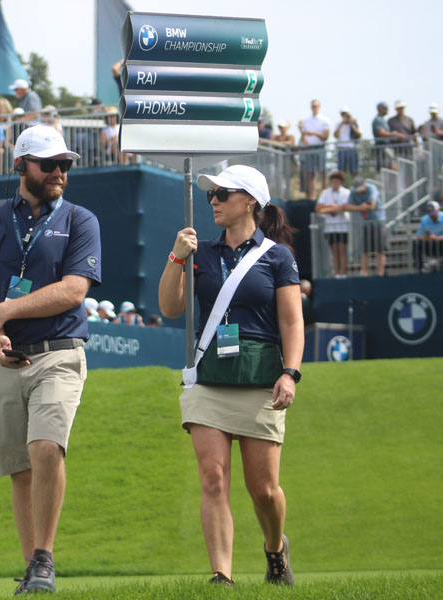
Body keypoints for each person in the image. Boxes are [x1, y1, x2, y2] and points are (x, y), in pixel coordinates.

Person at [0, 125, 102, 595]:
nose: (60, 172)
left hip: (59, 353)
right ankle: (32, 570)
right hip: (1, 357)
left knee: (46, 448)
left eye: (66, 165)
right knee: (19, 467)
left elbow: (73, 290)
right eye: (49, 164)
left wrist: (6, 310)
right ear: (20, 166)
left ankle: (45, 556)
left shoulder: (81, 220)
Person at [158, 164, 302, 587]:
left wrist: (290, 374)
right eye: (211, 194)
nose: (215, 200)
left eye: (224, 193)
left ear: (251, 202)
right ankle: (222, 574)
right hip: (208, 378)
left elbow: (292, 323)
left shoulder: (278, 255)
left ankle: (275, 549)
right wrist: (176, 257)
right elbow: (171, 308)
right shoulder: (199, 252)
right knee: (213, 477)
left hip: (260, 379)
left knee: (264, 491)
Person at [314, 171, 352, 278]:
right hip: (330, 227)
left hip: (343, 226)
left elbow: (345, 207)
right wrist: (333, 207)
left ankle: (344, 273)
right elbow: (318, 208)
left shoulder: (346, 192)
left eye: (338, 179)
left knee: (342, 251)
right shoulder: (325, 192)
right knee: (335, 252)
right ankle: (337, 274)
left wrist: (328, 208)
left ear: (341, 181)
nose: (335, 181)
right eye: (334, 179)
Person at [347, 177, 387, 277]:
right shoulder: (353, 191)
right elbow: (347, 206)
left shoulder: (372, 188)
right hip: (365, 224)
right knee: (364, 250)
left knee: (380, 249)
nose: (358, 191)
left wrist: (358, 207)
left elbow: (372, 205)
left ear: (364, 185)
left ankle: (380, 273)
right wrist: (362, 207)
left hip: (378, 222)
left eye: (360, 188)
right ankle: (364, 272)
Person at [298, 100, 330, 200]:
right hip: (309, 148)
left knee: (322, 172)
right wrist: (306, 142)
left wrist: (314, 133)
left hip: (320, 147)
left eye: (316, 106)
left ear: (319, 107)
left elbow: (325, 137)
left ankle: (325, 196)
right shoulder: (306, 120)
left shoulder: (324, 120)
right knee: (310, 173)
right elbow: (303, 135)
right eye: (313, 106)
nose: (314, 108)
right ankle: (313, 196)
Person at [413, 200, 443, 272]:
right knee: (417, 243)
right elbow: (419, 236)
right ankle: (420, 268)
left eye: (433, 213)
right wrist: (426, 238)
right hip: (430, 244)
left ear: (438, 210)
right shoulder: (424, 219)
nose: (432, 216)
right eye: (430, 214)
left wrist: (437, 238)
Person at [333, 107, 361, 175]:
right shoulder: (338, 124)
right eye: (343, 114)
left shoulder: (354, 123)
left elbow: (359, 134)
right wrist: (342, 123)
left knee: (354, 170)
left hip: (352, 148)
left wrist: (352, 125)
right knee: (341, 171)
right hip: (341, 149)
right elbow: (335, 135)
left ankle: (355, 185)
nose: (345, 116)